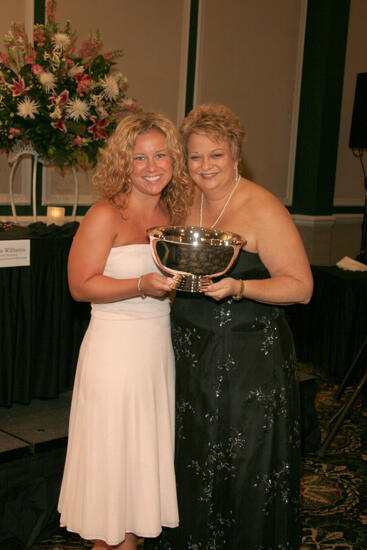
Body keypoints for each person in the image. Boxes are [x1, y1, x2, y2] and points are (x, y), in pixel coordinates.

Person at [149, 104, 313, 550]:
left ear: (235, 155)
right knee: (195, 453)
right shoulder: (185, 200)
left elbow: (301, 288)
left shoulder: (263, 207)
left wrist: (241, 287)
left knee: (243, 461)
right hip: (191, 355)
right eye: (196, 156)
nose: (205, 167)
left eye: (215, 155)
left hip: (247, 362)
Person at [58, 111, 192, 550]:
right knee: (113, 486)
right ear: (123, 163)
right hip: (114, 356)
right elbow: (80, 286)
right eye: (139, 158)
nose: (152, 167)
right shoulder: (106, 214)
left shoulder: (176, 211)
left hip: (155, 356)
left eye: (160, 155)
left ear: (174, 159)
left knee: (136, 480)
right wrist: (140, 285)